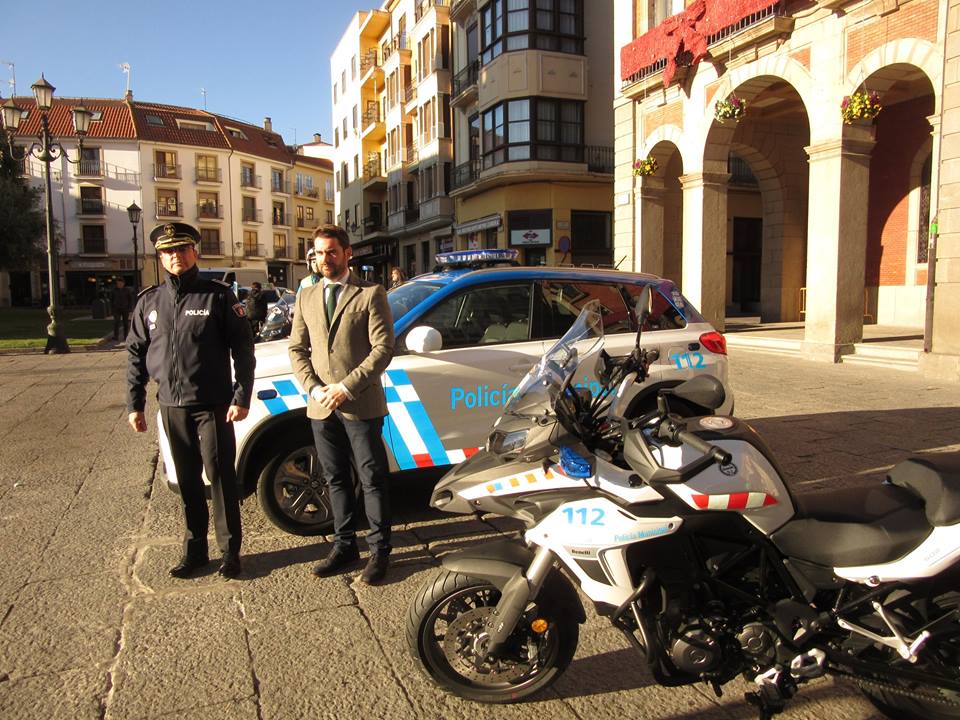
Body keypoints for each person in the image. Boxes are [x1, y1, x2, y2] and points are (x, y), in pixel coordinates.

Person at [126, 222, 256, 580]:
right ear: (161, 257)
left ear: (195, 252)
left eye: (182, 249)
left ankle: (230, 553)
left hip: (213, 405)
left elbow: (243, 350)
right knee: (186, 481)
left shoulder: (217, 296)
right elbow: (135, 355)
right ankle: (195, 551)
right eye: (168, 251)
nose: (176, 256)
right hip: (171, 405)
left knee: (220, 479)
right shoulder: (148, 302)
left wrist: (241, 395)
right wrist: (134, 404)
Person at [288, 224, 395, 584]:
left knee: (372, 478)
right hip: (321, 405)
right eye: (318, 252)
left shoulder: (370, 293)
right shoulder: (306, 296)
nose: (325, 259)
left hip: (359, 404)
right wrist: (313, 387)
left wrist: (345, 388)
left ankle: (380, 551)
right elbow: (297, 349)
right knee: (333, 477)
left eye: (331, 251)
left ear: (347, 253)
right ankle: (345, 544)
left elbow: (383, 349)